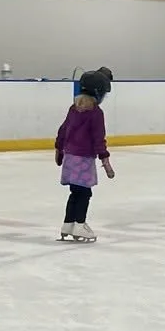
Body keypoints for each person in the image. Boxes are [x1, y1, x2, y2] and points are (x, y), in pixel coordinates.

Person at [55, 68, 114, 242]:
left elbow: (63, 130)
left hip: (69, 158)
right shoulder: (96, 113)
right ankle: (79, 225)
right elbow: (98, 138)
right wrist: (105, 160)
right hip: (84, 160)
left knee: (75, 192)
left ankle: (68, 223)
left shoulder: (74, 108)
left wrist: (59, 150)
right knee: (85, 193)